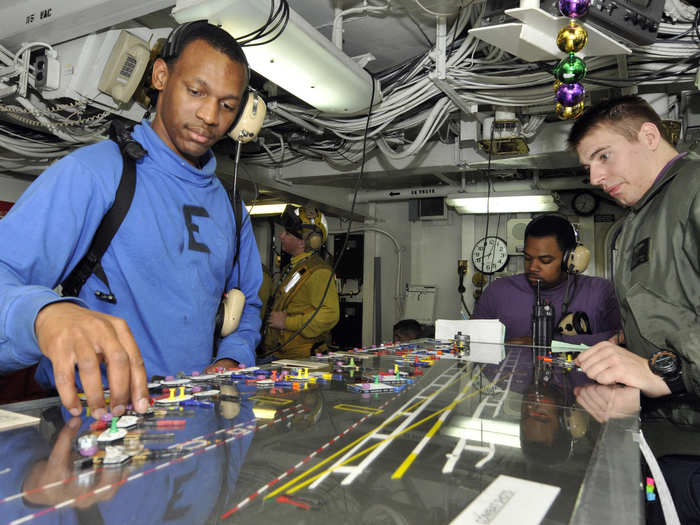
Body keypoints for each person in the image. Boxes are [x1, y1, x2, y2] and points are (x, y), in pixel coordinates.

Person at [0, 22, 263, 419]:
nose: (210, 116)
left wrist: (232, 360)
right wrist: (42, 314)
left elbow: (250, 304)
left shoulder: (230, 206)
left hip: (194, 425)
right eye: (196, 91)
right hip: (96, 427)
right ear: (161, 76)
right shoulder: (94, 174)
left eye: (227, 105)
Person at [569, 95, 700, 524]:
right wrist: (630, 343)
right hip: (667, 440)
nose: (596, 176)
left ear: (648, 135)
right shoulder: (633, 222)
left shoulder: (694, 189)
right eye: (589, 166)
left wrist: (664, 372)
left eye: (603, 156)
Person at [472, 214, 620, 347]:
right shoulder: (498, 291)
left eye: (545, 260)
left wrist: (550, 343)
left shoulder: (599, 291)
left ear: (569, 258)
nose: (533, 267)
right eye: (528, 258)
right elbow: (472, 341)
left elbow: (621, 339)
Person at [259, 206, 339, 359]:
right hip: (281, 354)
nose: (281, 236)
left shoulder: (319, 272)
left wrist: (287, 323)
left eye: (287, 233)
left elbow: (329, 315)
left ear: (305, 242)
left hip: (300, 359)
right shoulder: (296, 268)